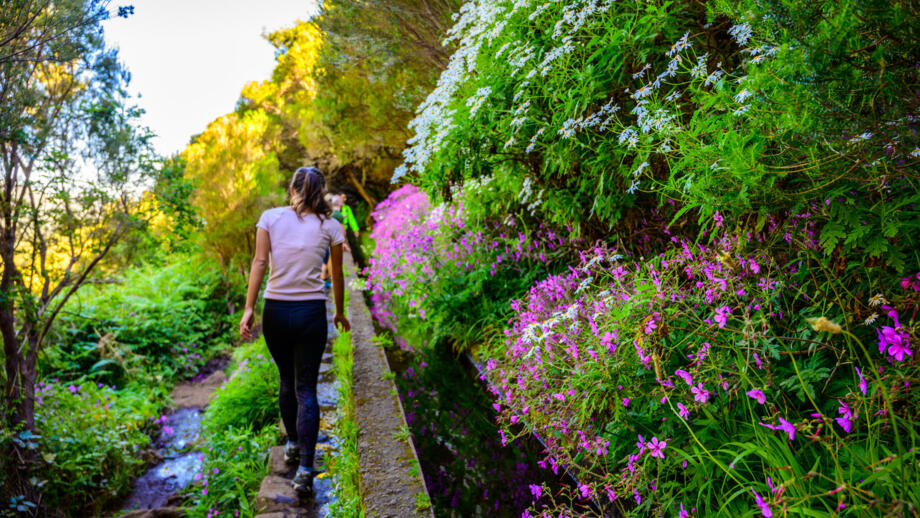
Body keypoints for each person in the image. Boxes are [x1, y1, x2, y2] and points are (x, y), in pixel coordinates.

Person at [239, 166, 350, 496]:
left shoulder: (270, 217)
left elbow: (259, 263)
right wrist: (340, 313)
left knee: (286, 380)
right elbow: (338, 276)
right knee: (307, 389)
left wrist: (248, 308)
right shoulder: (330, 225)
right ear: (321, 190)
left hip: (276, 311)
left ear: (292, 188)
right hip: (311, 313)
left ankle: (292, 443)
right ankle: (304, 469)